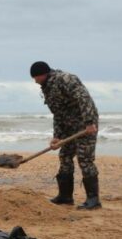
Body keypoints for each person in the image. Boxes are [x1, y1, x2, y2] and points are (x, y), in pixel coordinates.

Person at [30, 61, 101, 209]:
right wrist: (57, 136)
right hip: (68, 126)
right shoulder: (47, 88)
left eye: (35, 77)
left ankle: (94, 201)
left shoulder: (66, 79)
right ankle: (65, 197)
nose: (35, 81)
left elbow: (84, 98)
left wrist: (89, 122)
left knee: (84, 159)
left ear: (42, 74)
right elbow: (58, 114)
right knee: (65, 156)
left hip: (85, 124)